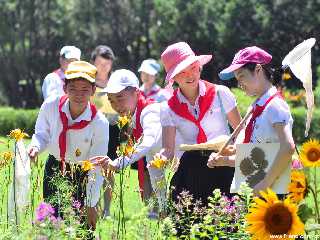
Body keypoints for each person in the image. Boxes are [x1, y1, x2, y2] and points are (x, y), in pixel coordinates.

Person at [157, 42, 241, 206]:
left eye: (193, 68)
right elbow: (168, 149)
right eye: (182, 72)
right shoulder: (168, 108)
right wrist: (160, 158)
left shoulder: (220, 93)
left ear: (200, 68)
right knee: (191, 225)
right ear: (173, 78)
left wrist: (234, 154)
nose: (190, 75)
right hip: (191, 172)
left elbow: (241, 132)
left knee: (227, 224)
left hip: (223, 163)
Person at [28, 61, 109, 230]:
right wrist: (36, 147)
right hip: (55, 167)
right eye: (73, 89)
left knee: (81, 225)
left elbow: (96, 165)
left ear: (94, 91)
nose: (79, 94)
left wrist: (91, 203)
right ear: (65, 88)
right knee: (52, 222)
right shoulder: (51, 106)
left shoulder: (99, 122)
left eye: (85, 89)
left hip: (83, 174)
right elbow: (42, 134)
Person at [207, 46, 295, 196]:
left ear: (258, 70)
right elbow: (255, 156)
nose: (239, 84)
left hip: (273, 192)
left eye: (241, 76)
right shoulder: (255, 107)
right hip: (255, 190)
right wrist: (224, 160)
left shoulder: (274, 105)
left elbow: (288, 147)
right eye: (237, 79)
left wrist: (266, 183)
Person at [91, 69, 166, 214]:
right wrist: (163, 205)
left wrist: (118, 162)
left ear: (136, 93)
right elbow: (152, 161)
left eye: (120, 98)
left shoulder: (150, 111)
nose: (116, 105)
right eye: (111, 100)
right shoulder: (132, 116)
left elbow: (148, 142)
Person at [90, 45, 117, 217]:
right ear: (93, 63)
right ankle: (93, 205)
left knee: (109, 170)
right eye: (100, 63)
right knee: (92, 169)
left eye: (107, 64)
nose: (104, 67)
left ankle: (106, 209)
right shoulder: (88, 82)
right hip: (91, 130)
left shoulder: (115, 82)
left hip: (112, 130)